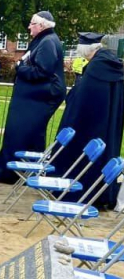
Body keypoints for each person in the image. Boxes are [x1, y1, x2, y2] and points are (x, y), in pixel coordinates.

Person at [0, 11, 66, 183]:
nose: (29, 26)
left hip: (42, 95)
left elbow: (42, 71)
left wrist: (19, 68)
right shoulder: (44, 40)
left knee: (22, 131)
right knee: (33, 134)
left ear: (41, 26)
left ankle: (10, 172)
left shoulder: (47, 42)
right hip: (36, 95)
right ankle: (22, 171)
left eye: (32, 23)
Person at [52, 32, 124, 208]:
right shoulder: (108, 62)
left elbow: (84, 99)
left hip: (92, 125)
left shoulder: (97, 67)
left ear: (85, 49)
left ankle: (86, 193)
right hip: (106, 122)